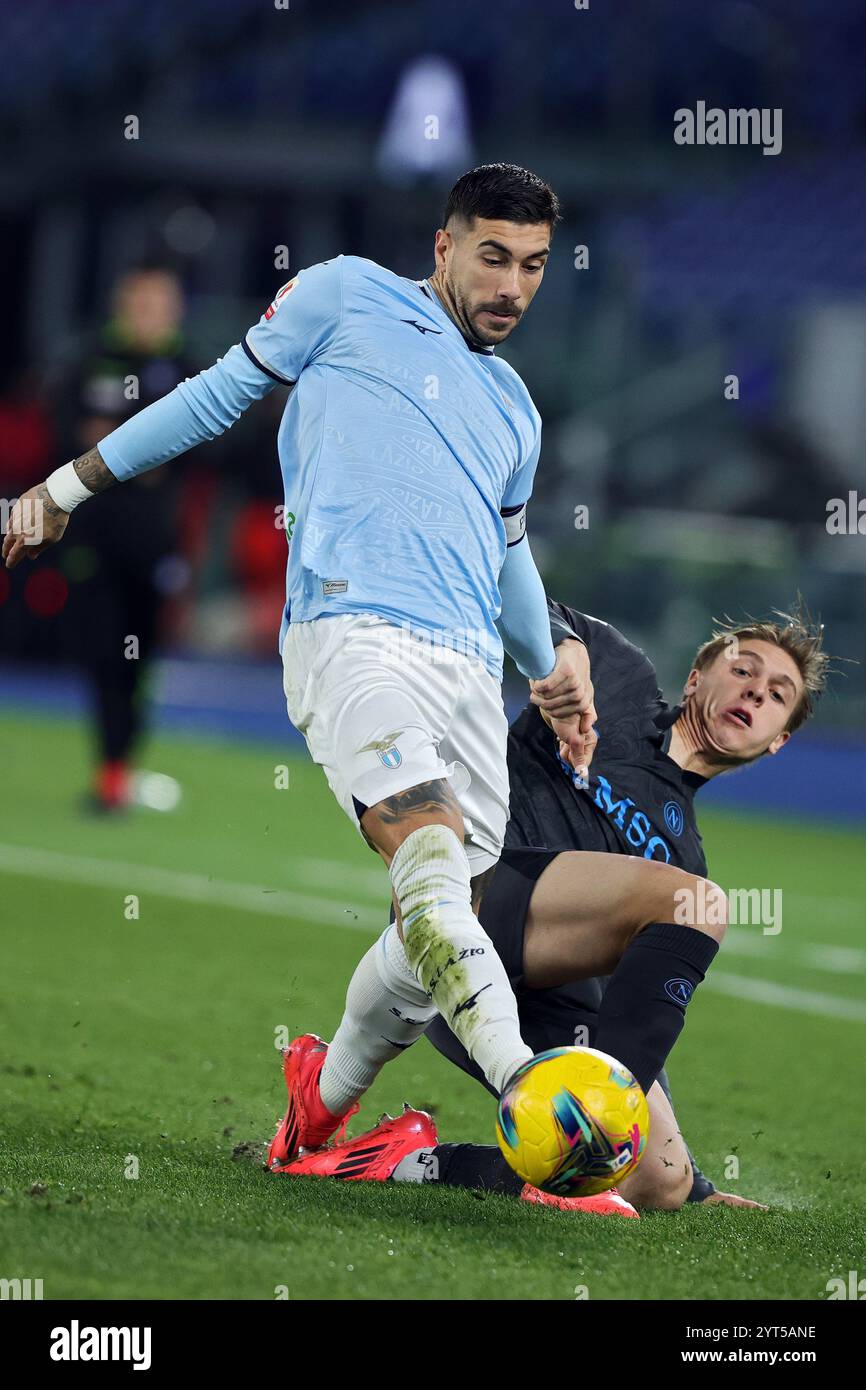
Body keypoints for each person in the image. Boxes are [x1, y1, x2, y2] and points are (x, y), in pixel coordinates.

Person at [3, 165, 594, 1127]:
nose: (512, 287)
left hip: (468, 676)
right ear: (444, 247)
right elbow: (211, 398)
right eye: (492, 258)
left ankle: (316, 1110)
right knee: (431, 857)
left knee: (435, 927)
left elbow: (508, 555)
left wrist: (548, 660)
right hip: (353, 631)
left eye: (531, 266)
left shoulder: (517, 412)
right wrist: (67, 488)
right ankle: (534, 1094)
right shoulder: (345, 293)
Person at [275, 600, 828, 1217]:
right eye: (744, 670)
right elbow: (523, 600)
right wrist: (563, 651)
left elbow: (632, 1016)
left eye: (776, 695)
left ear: (777, 741)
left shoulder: (685, 856)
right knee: (695, 903)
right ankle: (578, 1127)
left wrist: (689, 1176)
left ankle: (396, 1163)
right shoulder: (621, 678)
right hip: (473, 902)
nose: (754, 692)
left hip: (542, 997)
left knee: (655, 1183)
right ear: (697, 677)